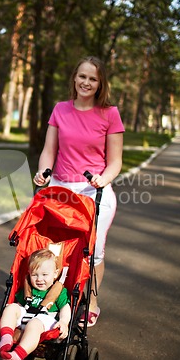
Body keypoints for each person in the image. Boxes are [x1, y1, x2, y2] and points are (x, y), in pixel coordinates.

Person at [33, 56, 124, 327]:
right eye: (82, 76)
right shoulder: (60, 109)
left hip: (93, 190)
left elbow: (116, 161)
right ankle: (51, 300)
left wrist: (102, 178)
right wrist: (43, 173)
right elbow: (50, 151)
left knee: (92, 253)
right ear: (75, 78)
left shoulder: (110, 113)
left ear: (100, 84)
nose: (86, 82)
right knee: (53, 250)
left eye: (93, 79)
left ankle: (91, 302)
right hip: (60, 188)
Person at [0, 248, 71, 360]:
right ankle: (6, 339)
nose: (39, 279)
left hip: (45, 321)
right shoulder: (28, 289)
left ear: (55, 274)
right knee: (11, 308)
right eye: (34, 275)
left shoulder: (58, 291)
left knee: (34, 323)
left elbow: (65, 308)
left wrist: (63, 322)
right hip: (26, 315)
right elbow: (20, 306)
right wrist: (13, 311)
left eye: (45, 275)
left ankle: (18, 355)